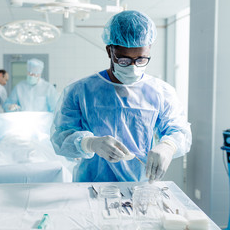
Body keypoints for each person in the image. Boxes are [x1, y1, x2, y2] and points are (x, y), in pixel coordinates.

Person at [51, 10, 192, 183]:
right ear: (109, 51)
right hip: (90, 185)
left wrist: (168, 146)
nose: (133, 67)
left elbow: (179, 131)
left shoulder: (162, 93)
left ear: (149, 50)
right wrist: (89, 143)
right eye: (124, 60)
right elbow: (61, 138)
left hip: (139, 185)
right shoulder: (80, 91)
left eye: (141, 60)